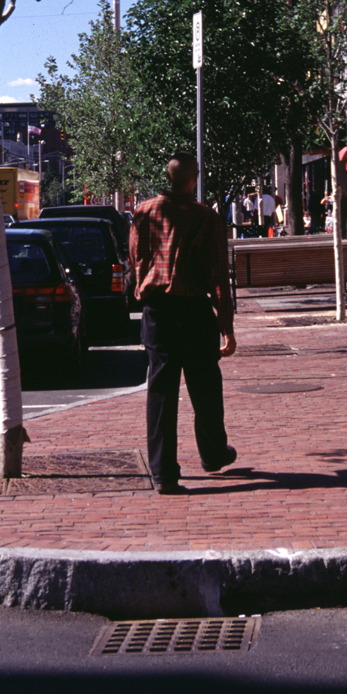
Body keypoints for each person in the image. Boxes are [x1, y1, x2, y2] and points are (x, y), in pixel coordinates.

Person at [130, 151, 237, 495]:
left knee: (160, 393)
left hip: (157, 312)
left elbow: (136, 258)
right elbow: (219, 275)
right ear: (195, 177)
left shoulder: (143, 213)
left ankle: (163, 473)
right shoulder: (206, 218)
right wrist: (226, 326)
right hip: (193, 311)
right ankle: (213, 453)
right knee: (205, 388)